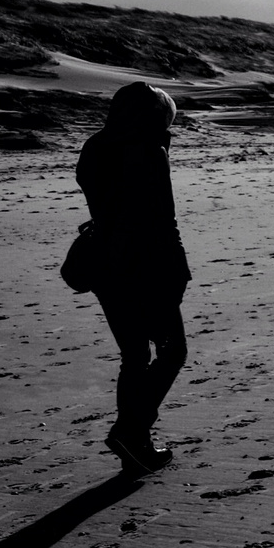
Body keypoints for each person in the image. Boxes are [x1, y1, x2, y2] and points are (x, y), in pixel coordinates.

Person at [76, 82, 191, 474]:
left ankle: (135, 443)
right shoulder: (148, 150)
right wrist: (179, 268)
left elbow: (105, 205)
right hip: (147, 266)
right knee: (172, 352)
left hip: (105, 266)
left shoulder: (95, 146)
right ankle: (131, 430)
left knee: (135, 356)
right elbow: (162, 218)